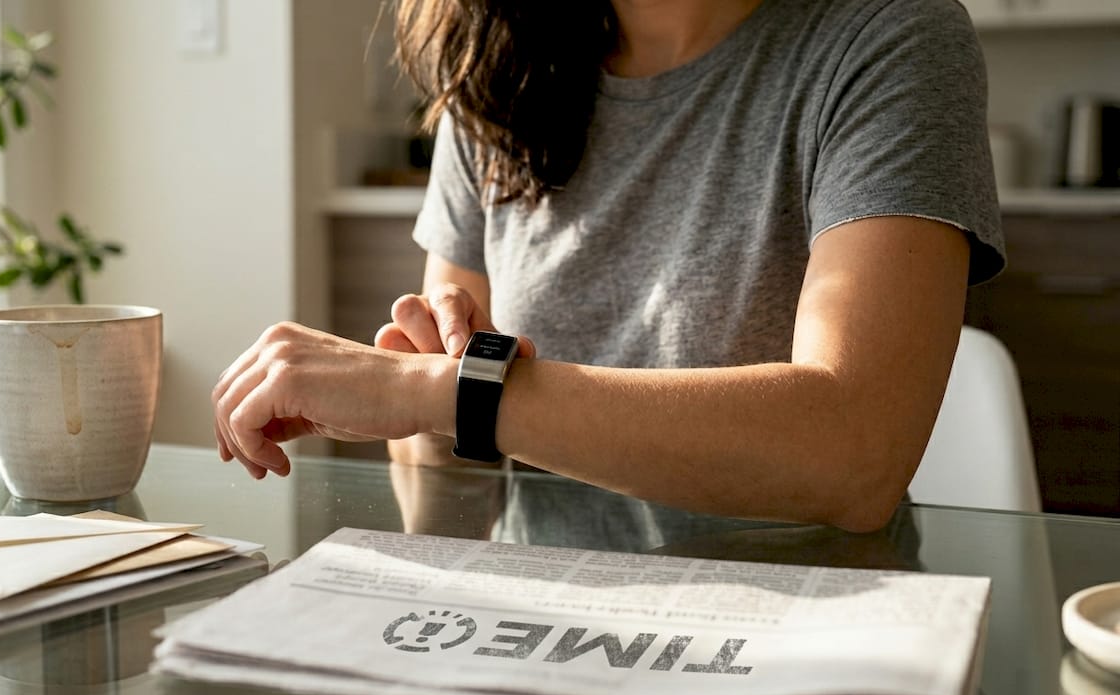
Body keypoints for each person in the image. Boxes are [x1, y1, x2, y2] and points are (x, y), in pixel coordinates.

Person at [212, 0, 1005, 534]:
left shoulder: (889, 38)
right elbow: (448, 481)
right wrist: (425, 406)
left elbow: (854, 454)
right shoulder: (493, 72)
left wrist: (433, 392)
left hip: (794, 632)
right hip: (533, 629)